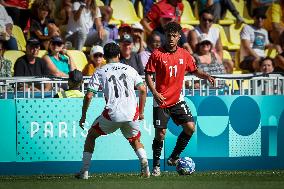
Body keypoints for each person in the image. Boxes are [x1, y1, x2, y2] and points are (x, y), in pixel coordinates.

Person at [144, 22, 215, 176]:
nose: (171, 38)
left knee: (190, 128)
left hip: (177, 99)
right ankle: (156, 166)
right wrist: (155, 93)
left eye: (174, 36)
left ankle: (174, 157)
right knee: (160, 134)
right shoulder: (157, 54)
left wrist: (206, 76)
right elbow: (148, 74)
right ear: (165, 36)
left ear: (178, 37)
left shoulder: (184, 54)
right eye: (168, 35)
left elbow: (194, 71)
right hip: (161, 100)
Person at [76, 42, 150, 179]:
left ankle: (84, 172)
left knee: (91, 136)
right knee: (135, 139)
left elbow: (89, 95)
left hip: (112, 114)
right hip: (131, 113)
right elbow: (143, 89)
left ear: (104, 56)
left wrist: (83, 116)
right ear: (119, 54)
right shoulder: (130, 69)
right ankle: (144, 162)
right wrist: (141, 112)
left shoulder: (100, 71)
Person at [239, 8, 272, 72]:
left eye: (262, 18)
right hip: (248, 59)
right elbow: (246, 47)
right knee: (261, 63)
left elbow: (266, 45)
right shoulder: (247, 28)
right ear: (253, 18)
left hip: (262, 58)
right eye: (257, 17)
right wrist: (258, 58)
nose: (260, 20)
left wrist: (275, 46)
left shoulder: (264, 31)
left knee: (272, 62)